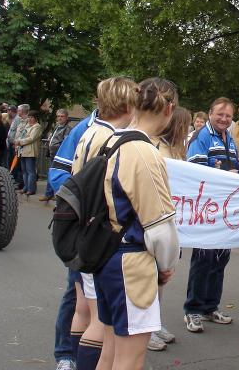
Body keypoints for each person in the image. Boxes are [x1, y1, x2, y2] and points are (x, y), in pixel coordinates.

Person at [94, 77, 180, 370]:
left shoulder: (112, 140)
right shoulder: (144, 151)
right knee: (129, 360)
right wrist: (165, 264)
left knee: (110, 352)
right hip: (130, 262)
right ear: (169, 109)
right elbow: (160, 227)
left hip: (106, 254)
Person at [70, 77, 138, 370]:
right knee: (100, 322)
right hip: (99, 233)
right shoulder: (109, 137)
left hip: (82, 229)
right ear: (126, 104)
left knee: (84, 310)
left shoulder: (90, 131)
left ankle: (72, 360)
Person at [184, 97, 239, 333]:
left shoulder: (229, 138)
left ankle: (210, 307)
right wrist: (222, 172)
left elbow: (232, 170)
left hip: (225, 212)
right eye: (220, 114)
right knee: (202, 261)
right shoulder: (200, 137)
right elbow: (195, 171)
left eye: (228, 116)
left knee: (220, 259)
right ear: (210, 114)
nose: (224, 119)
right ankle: (192, 310)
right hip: (206, 211)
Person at [51, 110, 100, 370]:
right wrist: (80, 207)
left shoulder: (127, 130)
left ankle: (94, 356)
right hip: (84, 225)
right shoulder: (83, 129)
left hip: (108, 231)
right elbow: (58, 173)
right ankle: (65, 355)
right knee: (75, 292)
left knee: (100, 296)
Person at [145, 105, 191, 352]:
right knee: (152, 276)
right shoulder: (155, 146)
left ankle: (155, 322)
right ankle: (146, 328)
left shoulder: (176, 150)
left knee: (163, 276)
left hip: (173, 220)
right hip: (157, 219)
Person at [40, 109, 72, 202]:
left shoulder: (68, 129)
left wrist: (56, 146)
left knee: (57, 175)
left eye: (62, 116)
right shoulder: (57, 127)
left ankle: (56, 194)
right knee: (51, 173)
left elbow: (66, 142)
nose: (60, 118)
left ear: (66, 117)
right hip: (53, 153)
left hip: (60, 155)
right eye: (58, 116)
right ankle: (49, 194)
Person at [15, 110, 42, 195]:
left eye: (32, 117)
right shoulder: (27, 126)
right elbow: (21, 135)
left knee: (30, 171)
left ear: (36, 118)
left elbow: (31, 138)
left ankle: (31, 189)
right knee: (24, 171)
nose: (30, 119)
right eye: (29, 117)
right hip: (23, 151)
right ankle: (25, 187)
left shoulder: (37, 127)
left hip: (31, 152)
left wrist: (20, 141)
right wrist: (19, 140)